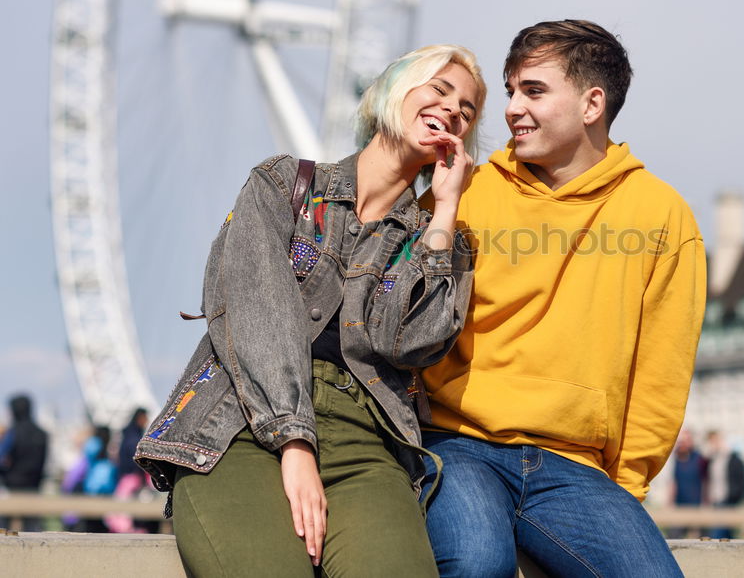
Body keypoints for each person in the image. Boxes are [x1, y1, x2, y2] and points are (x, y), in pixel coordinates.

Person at [135, 44, 485, 576]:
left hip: (366, 440)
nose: (453, 111)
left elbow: (412, 344)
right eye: (440, 89)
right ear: (394, 91)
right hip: (242, 424)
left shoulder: (433, 241)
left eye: (467, 110)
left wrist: (446, 211)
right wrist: (294, 442)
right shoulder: (283, 186)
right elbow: (257, 315)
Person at [419, 20, 706, 577]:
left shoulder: (663, 215)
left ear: (592, 103)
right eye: (510, 91)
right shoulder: (464, 192)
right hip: (457, 445)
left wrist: (625, 490)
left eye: (533, 90)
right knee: (478, 566)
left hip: (575, 469)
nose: (510, 109)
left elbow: (662, 370)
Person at [0, 394, 48, 531]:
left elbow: (2, 456)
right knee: (33, 529)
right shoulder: (42, 434)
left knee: (3, 530)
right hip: (34, 486)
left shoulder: (13, 433)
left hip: (11, 486)